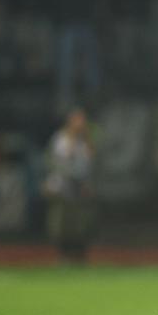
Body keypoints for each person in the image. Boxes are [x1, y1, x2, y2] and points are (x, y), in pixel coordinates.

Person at [42, 108, 96, 263]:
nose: (80, 124)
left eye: (82, 120)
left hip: (80, 187)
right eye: (77, 120)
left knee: (81, 224)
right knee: (60, 224)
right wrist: (49, 182)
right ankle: (63, 255)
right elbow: (52, 161)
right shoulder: (60, 139)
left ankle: (79, 255)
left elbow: (90, 163)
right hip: (62, 186)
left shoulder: (86, 140)